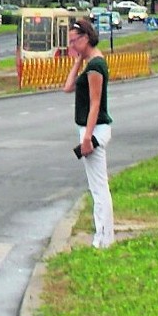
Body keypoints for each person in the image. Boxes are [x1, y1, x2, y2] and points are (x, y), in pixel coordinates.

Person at [63, 18, 114, 248]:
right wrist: (76, 61)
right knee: (97, 186)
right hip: (90, 129)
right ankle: (103, 236)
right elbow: (67, 87)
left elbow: (95, 104)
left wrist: (87, 138)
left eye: (75, 41)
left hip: (94, 130)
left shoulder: (96, 67)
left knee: (99, 187)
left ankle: (103, 238)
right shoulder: (90, 62)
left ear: (86, 38)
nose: (72, 46)